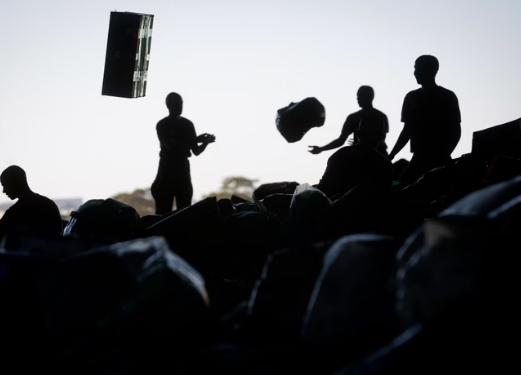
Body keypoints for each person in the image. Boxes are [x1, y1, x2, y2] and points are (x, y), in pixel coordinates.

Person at [389, 55, 461, 182]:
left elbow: (456, 130)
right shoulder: (411, 97)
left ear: (431, 71)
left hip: (440, 157)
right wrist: (392, 154)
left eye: (418, 68)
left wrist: (443, 155)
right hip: (419, 156)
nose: (415, 72)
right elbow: (407, 131)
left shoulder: (447, 97)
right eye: (415, 68)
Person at [151, 92, 215, 215]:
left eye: (180, 104)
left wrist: (204, 142)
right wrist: (196, 140)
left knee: (182, 211)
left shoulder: (186, 124)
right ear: (169, 105)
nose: (180, 106)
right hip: (168, 172)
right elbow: (172, 147)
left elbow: (195, 151)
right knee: (169, 213)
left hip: (179, 171)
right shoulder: (163, 125)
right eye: (177, 104)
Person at [316, 115, 393, 200]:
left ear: (358, 134)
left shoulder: (340, 155)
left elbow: (324, 189)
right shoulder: (385, 165)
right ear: (382, 137)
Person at [309, 86, 389, 156]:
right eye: (358, 96)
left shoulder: (354, 117)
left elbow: (340, 141)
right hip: (377, 155)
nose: (357, 98)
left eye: (360, 95)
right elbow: (381, 139)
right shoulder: (381, 116)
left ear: (368, 97)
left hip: (362, 156)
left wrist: (321, 149)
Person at [0, 166, 62, 243]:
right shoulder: (49, 204)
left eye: (5, 185)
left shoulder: (13, 213)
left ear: (15, 183)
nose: (4, 191)